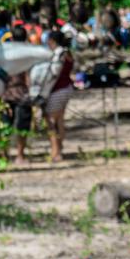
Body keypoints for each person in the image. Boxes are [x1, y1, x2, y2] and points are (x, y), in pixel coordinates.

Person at [30, 29, 75, 164]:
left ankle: (55, 152)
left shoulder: (57, 55)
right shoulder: (68, 54)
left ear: (52, 41)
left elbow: (51, 75)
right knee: (60, 120)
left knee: (51, 123)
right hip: (67, 89)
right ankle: (59, 149)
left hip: (56, 90)